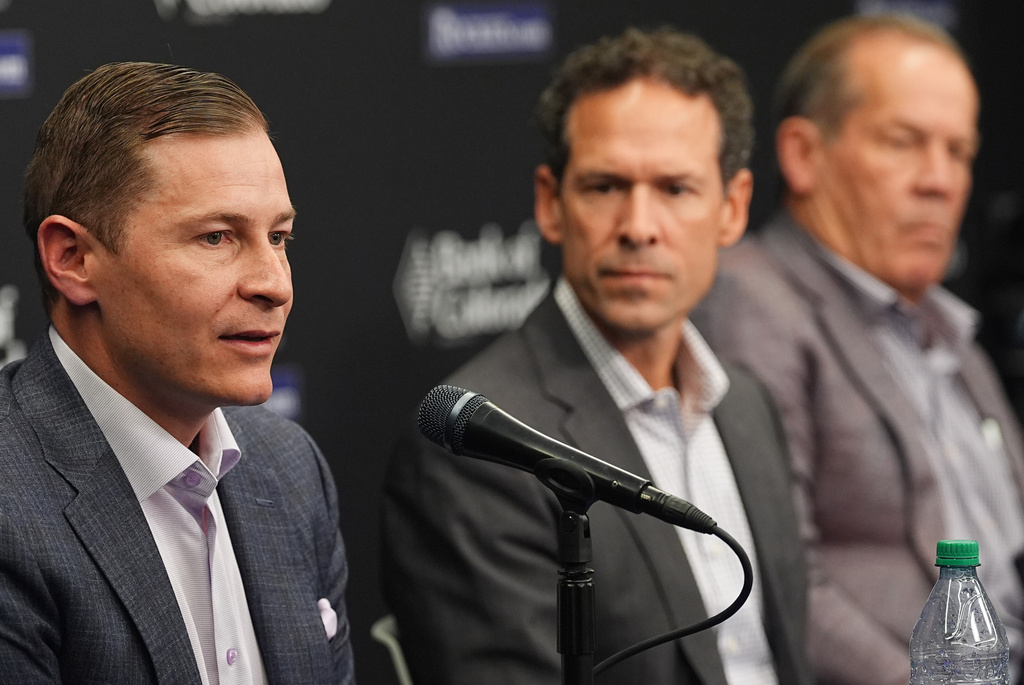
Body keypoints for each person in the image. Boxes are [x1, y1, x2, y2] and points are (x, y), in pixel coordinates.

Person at [381, 28, 811, 685]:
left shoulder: (747, 404)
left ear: (733, 208)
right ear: (552, 204)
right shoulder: (480, 449)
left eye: (675, 189)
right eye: (606, 186)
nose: (639, 226)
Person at [691, 14, 1024, 685]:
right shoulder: (754, 301)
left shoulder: (941, 322)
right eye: (905, 143)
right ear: (803, 154)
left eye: (959, 151)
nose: (941, 180)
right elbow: (780, 582)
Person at [1, 62, 354, 684]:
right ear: (73, 258)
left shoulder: (291, 468)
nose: (274, 284)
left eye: (279, 237)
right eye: (217, 238)